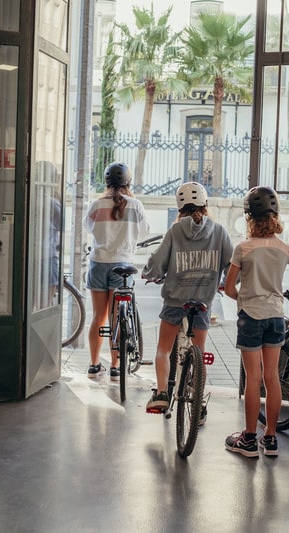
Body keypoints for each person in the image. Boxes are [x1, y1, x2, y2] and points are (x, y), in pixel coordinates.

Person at [222, 186, 289, 458]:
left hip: (251, 317)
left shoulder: (243, 249)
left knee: (253, 378)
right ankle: (270, 439)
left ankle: (247, 440)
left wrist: (243, 300)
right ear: (275, 216)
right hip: (275, 316)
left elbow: (229, 287)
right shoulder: (284, 249)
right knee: (272, 378)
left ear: (249, 218)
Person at [142, 181, 233, 424]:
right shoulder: (220, 231)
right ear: (205, 205)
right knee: (199, 354)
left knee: (164, 349)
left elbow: (157, 263)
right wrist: (224, 282)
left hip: (175, 302)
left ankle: (161, 393)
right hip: (203, 302)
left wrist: (149, 272)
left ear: (179, 207)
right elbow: (233, 263)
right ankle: (198, 403)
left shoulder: (174, 232)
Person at [83, 162, 150, 380]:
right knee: (116, 318)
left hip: (98, 263)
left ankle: (94, 365)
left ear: (106, 181)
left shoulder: (96, 205)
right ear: (128, 182)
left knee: (98, 317)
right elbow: (143, 234)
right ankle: (115, 366)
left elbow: (89, 228)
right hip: (123, 265)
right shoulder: (135, 205)